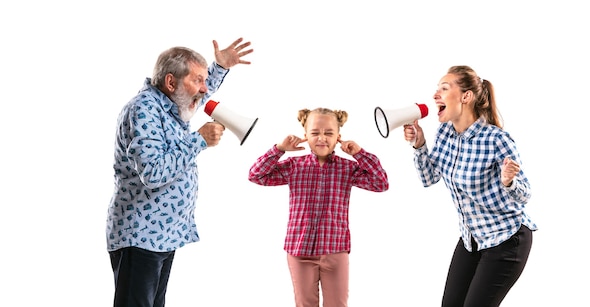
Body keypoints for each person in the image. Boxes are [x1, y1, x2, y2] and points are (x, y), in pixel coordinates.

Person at [106, 37, 253, 307]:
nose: (204, 88)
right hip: (141, 235)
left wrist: (219, 67)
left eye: (204, 79)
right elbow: (152, 173)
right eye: (198, 79)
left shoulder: (172, 105)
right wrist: (198, 140)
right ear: (171, 82)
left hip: (161, 235)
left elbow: (199, 96)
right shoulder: (144, 111)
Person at [403, 65, 537, 307]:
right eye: (437, 89)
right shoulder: (445, 132)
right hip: (471, 238)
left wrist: (509, 181)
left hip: (506, 239)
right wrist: (419, 145)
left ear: (466, 97)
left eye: (444, 88)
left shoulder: (496, 139)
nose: (435, 95)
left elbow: (525, 194)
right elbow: (429, 178)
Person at [249, 108, 389, 307]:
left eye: (329, 133)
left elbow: (381, 183)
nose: (322, 138)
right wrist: (279, 149)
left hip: (336, 249)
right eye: (315, 133)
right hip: (299, 250)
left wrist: (360, 154)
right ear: (305, 136)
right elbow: (256, 175)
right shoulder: (293, 166)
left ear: (338, 137)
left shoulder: (348, 168)